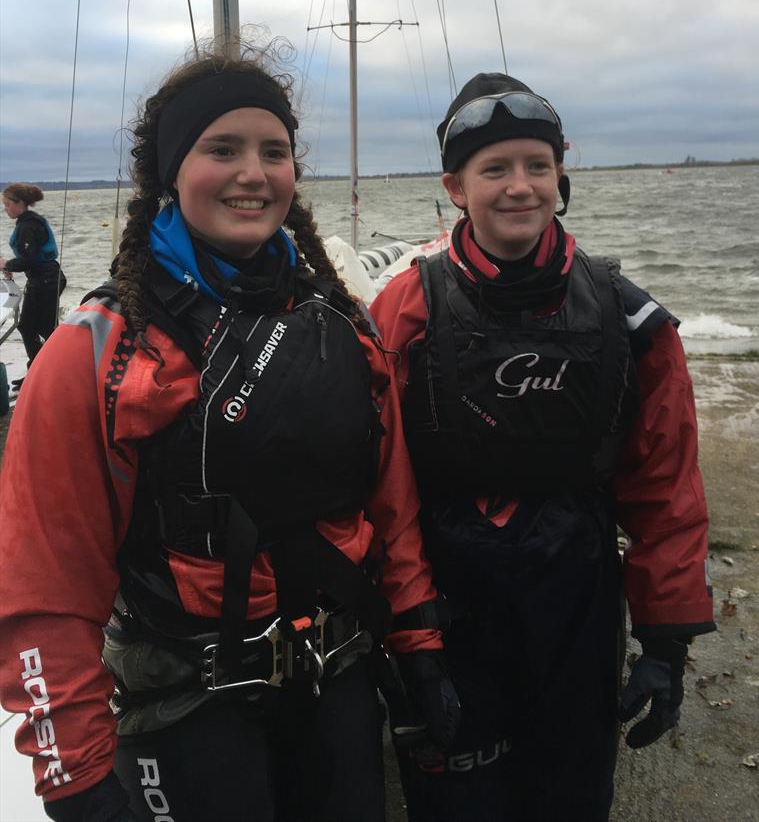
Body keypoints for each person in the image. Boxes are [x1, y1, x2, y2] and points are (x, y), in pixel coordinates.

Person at [0, 44, 459, 822]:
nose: (254, 172)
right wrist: (73, 777)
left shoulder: (341, 327)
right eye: (223, 149)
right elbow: (46, 584)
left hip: (335, 683)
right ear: (170, 175)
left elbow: (393, 514)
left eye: (273, 152)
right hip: (186, 707)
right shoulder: (97, 353)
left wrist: (420, 649)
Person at [370, 72, 716, 822]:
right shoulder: (405, 310)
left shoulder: (629, 318)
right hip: (448, 593)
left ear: (562, 176)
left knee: (568, 797)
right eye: (494, 169)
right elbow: (383, 485)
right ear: (455, 187)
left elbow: (666, 485)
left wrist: (665, 640)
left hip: (577, 592)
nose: (519, 187)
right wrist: (411, 634)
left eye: (537, 165)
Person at [0, 182, 67, 387]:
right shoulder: (28, 222)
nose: (5, 209)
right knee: (32, 327)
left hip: (46, 280)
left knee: (36, 328)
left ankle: (50, 373)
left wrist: (6, 264)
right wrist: (10, 266)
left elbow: (28, 259)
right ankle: (40, 372)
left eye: (7, 204)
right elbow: (30, 257)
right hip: (46, 278)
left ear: (20, 203)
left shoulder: (28, 225)